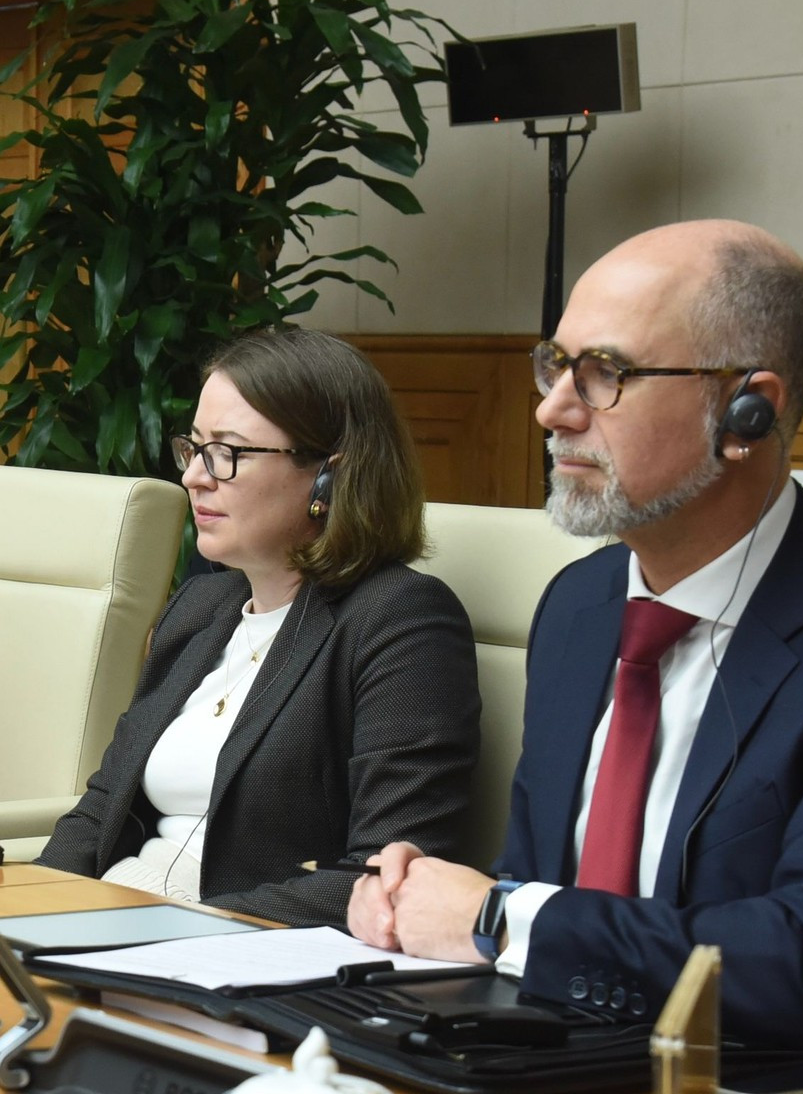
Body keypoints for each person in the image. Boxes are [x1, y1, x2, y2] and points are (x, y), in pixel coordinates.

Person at [350, 220, 803, 1090]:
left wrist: (498, 917)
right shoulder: (578, 608)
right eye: (554, 366)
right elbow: (546, 889)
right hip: (568, 1080)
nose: (552, 410)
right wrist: (417, 903)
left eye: (606, 373)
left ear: (748, 411)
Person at [37, 327, 481, 928]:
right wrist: (24, 911)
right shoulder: (200, 607)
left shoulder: (400, 620)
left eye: (228, 453)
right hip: (110, 922)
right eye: (194, 448)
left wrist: (178, 926)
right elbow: (100, 812)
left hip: (232, 950)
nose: (195, 477)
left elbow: (383, 875)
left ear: (329, 474)